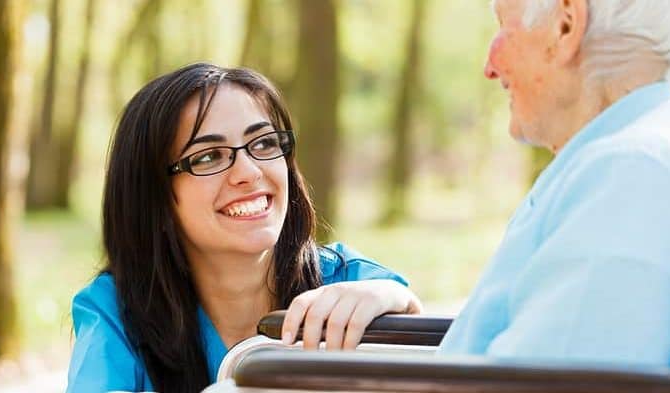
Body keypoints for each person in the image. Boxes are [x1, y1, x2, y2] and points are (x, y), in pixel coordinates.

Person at [437, 2, 670, 393]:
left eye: (503, 29)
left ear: (565, 26)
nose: (490, 66)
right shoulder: (642, 156)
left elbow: (558, 383)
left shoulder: (638, 175)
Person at [66, 63, 422, 393]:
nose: (250, 172)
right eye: (208, 157)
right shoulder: (116, 310)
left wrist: (394, 299)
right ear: (153, 196)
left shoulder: (341, 279)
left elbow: (428, 352)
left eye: (264, 143)